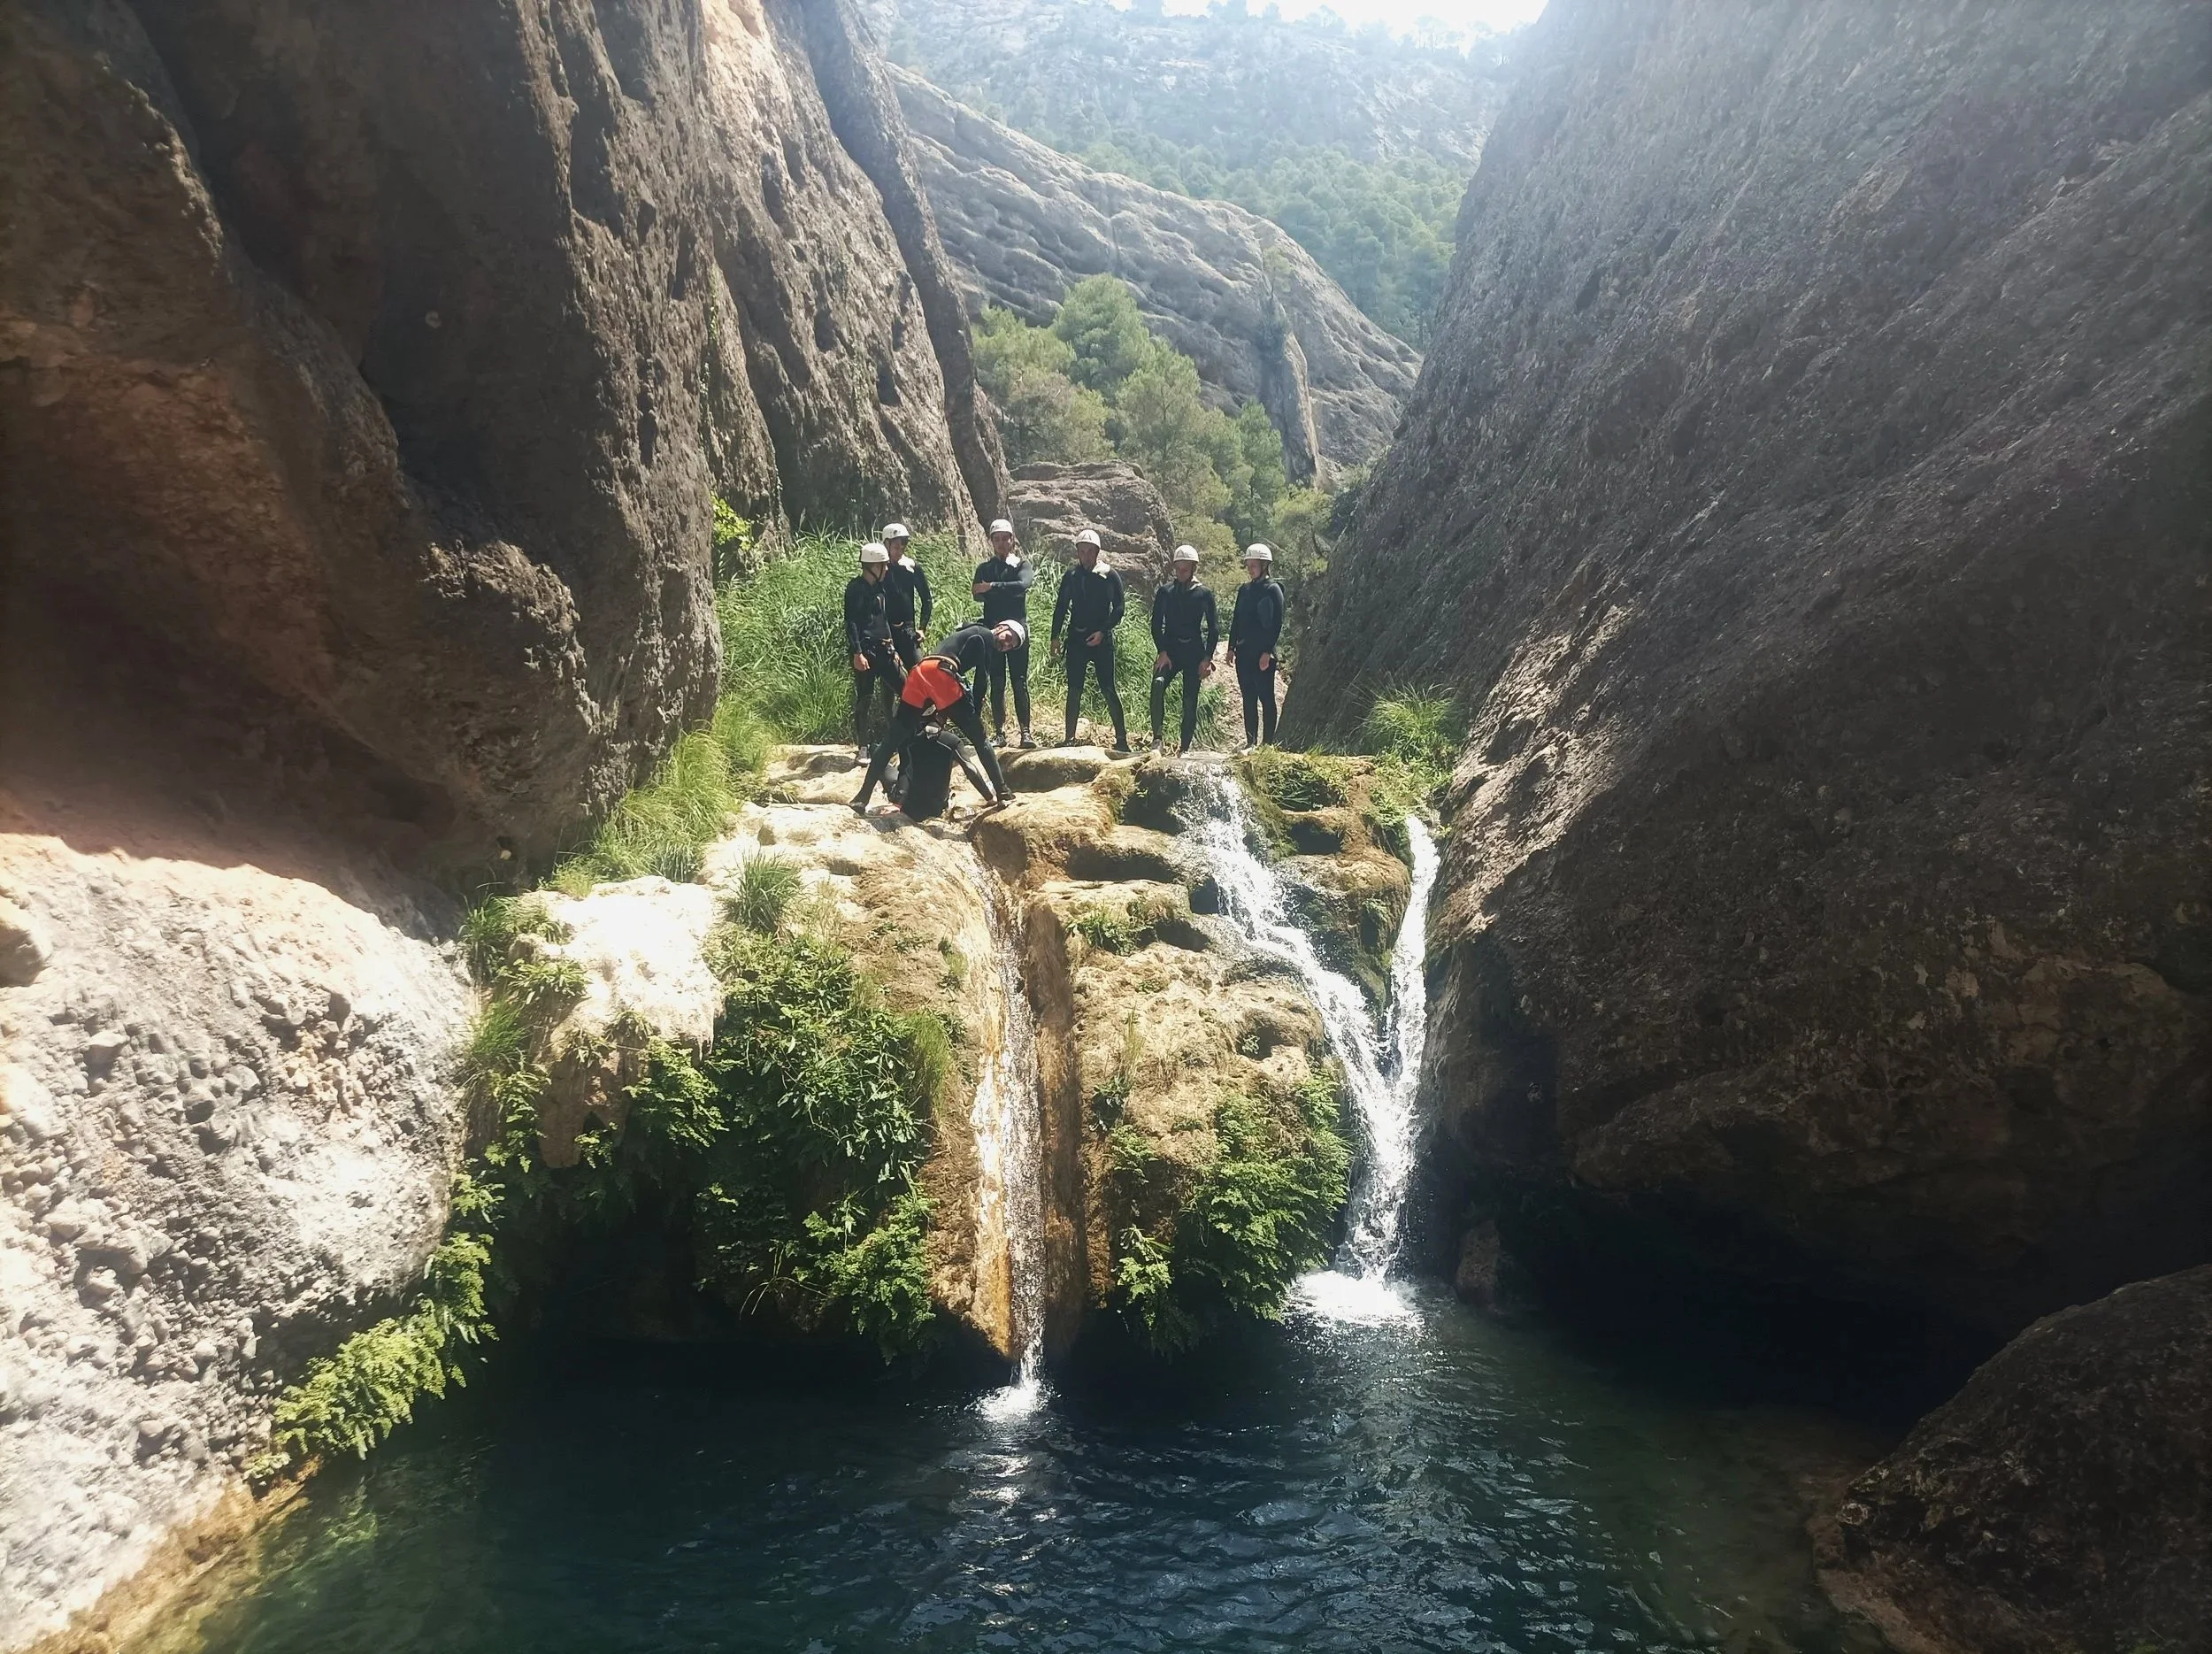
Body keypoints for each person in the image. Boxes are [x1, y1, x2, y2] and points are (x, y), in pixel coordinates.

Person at [853, 619, 1023, 813]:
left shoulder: (968, 633)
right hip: (941, 673)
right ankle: (1003, 792)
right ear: (1000, 627)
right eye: (1009, 638)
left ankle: (861, 798)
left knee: (891, 741)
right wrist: (974, 716)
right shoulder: (985, 635)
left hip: (919, 673)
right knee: (981, 740)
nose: (1007, 645)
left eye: (1012, 646)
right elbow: (982, 679)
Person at [1049, 529, 1128, 752]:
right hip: (1076, 638)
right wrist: (1055, 636)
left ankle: (1122, 740)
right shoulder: (1072, 576)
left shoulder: (1108, 575)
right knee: (1074, 688)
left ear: (1097, 552)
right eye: (1081, 551)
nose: (1084, 556)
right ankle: (1069, 738)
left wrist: (1103, 631)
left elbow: (1119, 609)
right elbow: (1061, 607)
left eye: (1089, 552)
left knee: (1108, 688)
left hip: (1102, 640)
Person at [972, 518, 1036, 748]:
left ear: (1012, 540)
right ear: (992, 542)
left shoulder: (1021, 565)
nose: (1000, 543)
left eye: (1004, 539)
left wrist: (993, 588)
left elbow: (1023, 585)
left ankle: (1026, 733)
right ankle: (999, 733)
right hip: (993, 631)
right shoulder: (985, 568)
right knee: (997, 682)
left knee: (1019, 681)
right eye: (996, 539)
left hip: (1017, 631)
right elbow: (976, 593)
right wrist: (1000, 590)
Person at [1149, 545, 1218, 754]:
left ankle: (1185, 748)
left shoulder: (1204, 594)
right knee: (1158, 684)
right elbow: (1156, 625)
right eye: (1178, 569)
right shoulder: (1165, 592)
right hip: (1170, 650)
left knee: (1190, 699)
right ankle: (1157, 739)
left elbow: (1214, 628)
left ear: (1193, 569)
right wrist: (1162, 651)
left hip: (1193, 652)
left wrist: (1207, 658)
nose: (1181, 573)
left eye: (1185, 569)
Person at [843, 541, 905, 758]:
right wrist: (857, 653)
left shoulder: (881, 588)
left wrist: (894, 647)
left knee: (907, 691)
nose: (887, 569)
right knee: (864, 699)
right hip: (866, 652)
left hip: (885, 650)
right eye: (884, 565)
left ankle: (905, 739)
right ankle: (863, 747)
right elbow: (851, 623)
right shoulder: (855, 590)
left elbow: (884, 620)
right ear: (873, 567)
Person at [1227, 542, 1285, 747]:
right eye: (1248, 565)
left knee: (1266, 697)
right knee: (1248, 697)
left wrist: (1267, 651)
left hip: (1263, 652)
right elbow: (1236, 619)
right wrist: (1231, 647)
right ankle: (1250, 742)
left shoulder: (1273, 589)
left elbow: (1277, 622)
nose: (1250, 569)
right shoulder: (1244, 590)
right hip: (1244, 651)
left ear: (1264, 566)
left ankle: (1267, 743)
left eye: (1253, 565)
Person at [879, 520, 932, 669]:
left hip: (907, 630)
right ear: (887, 544)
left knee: (919, 671)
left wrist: (922, 628)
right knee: (890, 680)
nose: (900, 551)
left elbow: (926, 599)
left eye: (903, 546)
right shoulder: (879, 568)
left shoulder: (911, 567)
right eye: (896, 547)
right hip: (886, 630)